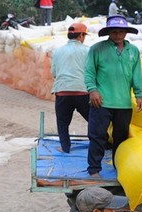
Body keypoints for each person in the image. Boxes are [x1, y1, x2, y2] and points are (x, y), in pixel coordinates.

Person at [84, 15, 142, 177]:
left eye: (121, 31)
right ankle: (94, 169)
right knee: (97, 136)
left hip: (123, 104)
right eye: (114, 31)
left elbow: (137, 74)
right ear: (108, 32)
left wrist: (139, 94)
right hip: (101, 102)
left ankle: (120, 168)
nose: (118, 35)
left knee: (121, 139)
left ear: (126, 32)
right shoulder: (97, 49)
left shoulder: (134, 51)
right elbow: (89, 72)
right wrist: (92, 90)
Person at [50, 23, 90, 154]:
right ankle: (102, 143)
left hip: (62, 91)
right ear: (81, 35)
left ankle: (65, 147)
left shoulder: (57, 51)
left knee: (62, 122)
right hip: (82, 90)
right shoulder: (87, 50)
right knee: (93, 119)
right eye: (84, 35)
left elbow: (54, 72)